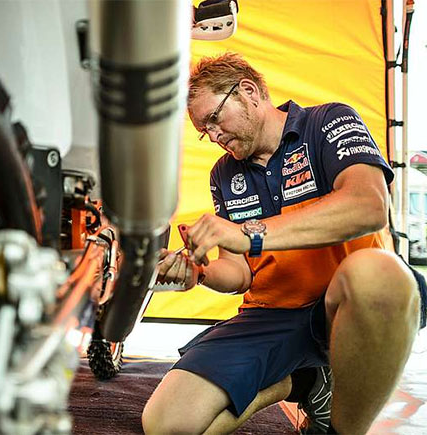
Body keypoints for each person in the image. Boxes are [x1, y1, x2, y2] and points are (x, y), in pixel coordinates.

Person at [141, 52, 427, 435]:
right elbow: (240, 273)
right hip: (271, 314)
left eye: (213, 119)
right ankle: (304, 382)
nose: (212, 136)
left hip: (345, 308)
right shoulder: (224, 173)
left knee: (381, 274)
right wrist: (200, 272)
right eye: (203, 131)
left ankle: (340, 431)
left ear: (248, 91)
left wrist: (248, 232)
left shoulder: (328, 121)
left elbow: (369, 206)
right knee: (166, 425)